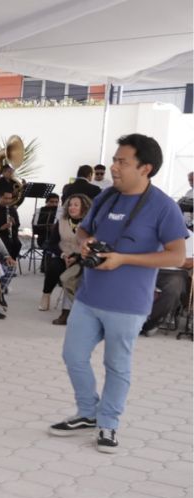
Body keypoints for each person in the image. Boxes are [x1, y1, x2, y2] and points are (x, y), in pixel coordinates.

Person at [50, 134, 188, 453]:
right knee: (73, 355)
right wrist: (85, 240)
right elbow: (85, 228)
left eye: (122, 162)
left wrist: (124, 259)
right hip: (88, 296)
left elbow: (177, 256)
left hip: (127, 304)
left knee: (117, 365)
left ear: (146, 168)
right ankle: (87, 413)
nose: (113, 167)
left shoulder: (164, 206)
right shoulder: (106, 196)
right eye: (115, 160)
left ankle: (108, 423)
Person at [41, 194, 91, 317]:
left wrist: (77, 258)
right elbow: (52, 244)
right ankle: (46, 294)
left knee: (73, 276)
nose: (71, 207)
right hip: (63, 254)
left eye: (76, 205)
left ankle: (74, 307)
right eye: (70, 205)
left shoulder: (89, 224)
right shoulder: (61, 222)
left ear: (83, 208)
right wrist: (63, 255)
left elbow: (90, 245)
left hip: (81, 257)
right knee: (53, 266)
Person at [0, 189, 23, 260]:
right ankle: (4, 263)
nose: (8, 201)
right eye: (6, 198)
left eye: (10, 199)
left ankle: (11, 262)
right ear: (0, 198)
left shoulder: (12, 210)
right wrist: (1, 228)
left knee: (17, 244)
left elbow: (18, 225)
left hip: (10, 235)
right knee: (5, 245)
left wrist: (14, 223)